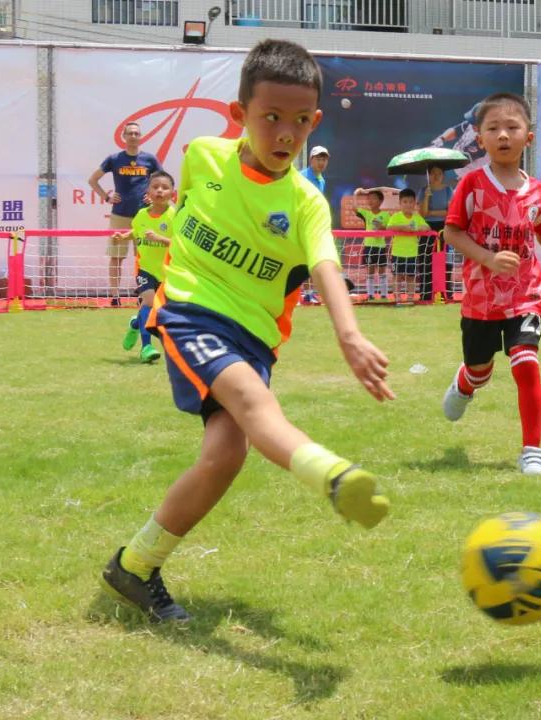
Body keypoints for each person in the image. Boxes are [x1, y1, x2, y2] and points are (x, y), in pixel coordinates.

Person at [100, 39, 394, 623]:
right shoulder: (202, 155)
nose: (286, 133)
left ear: (316, 121)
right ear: (239, 116)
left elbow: (326, 267)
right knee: (253, 403)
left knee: (225, 455)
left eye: (299, 121)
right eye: (271, 118)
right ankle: (331, 475)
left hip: (255, 338)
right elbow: (187, 213)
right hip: (188, 313)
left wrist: (350, 334)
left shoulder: (306, 202)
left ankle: (133, 565)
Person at [440, 92, 541, 476]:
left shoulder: (537, 191)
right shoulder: (473, 184)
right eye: (493, 128)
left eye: (512, 127)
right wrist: (489, 258)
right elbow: (452, 233)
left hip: (526, 295)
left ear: (529, 136)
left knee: (526, 363)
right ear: (479, 137)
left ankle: (532, 450)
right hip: (480, 299)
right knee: (482, 369)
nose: (503, 135)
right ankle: (466, 383)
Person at [88, 121, 164, 306]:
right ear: (123, 137)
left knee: (143, 258)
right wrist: (106, 197)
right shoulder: (114, 159)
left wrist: (152, 197)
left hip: (144, 217)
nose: (133, 136)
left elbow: (163, 181)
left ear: (141, 136)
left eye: (136, 133)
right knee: (116, 256)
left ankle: (142, 296)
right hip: (119, 215)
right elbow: (93, 180)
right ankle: (115, 297)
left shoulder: (150, 159)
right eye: (129, 133)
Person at [115, 170, 175, 363]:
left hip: (167, 272)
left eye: (164, 188)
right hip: (145, 269)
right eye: (155, 187)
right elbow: (137, 230)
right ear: (148, 192)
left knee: (160, 312)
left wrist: (160, 239)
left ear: (172, 193)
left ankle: (135, 323)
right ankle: (146, 347)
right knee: (148, 302)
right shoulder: (141, 215)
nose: (159, 191)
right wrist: (124, 236)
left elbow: (181, 244)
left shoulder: (176, 216)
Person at [386, 188, 430, 305]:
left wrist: (420, 228)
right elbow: (389, 227)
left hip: (412, 253)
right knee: (397, 277)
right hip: (397, 253)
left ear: (415, 203)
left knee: (411, 277)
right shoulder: (396, 216)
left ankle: (410, 299)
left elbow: (427, 228)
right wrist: (403, 227)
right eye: (405, 202)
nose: (408, 205)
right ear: (400, 204)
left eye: (411, 202)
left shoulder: (417, 217)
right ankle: (398, 299)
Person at [418, 164, 454, 301]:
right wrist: (426, 197)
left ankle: (446, 293)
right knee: (425, 261)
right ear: (429, 175)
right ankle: (426, 294)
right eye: (433, 173)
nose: (436, 176)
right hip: (427, 228)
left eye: (439, 173)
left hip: (444, 228)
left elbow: (449, 212)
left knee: (445, 261)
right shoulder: (423, 190)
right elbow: (423, 214)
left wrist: (431, 212)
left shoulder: (448, 190)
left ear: (443, 175)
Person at [353, 187, 391, 300]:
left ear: (380, 201)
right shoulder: (366, 213)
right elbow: (355, 208)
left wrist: (382, 227)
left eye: (373, 198)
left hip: (380, 247)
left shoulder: (386, 215)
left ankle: (384, 295)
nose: (370, 201)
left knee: (382, 271)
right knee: (370, 271)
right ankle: (370, 294)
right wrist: (356, 194)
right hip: (369, 247)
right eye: (369, 199)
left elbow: (390, 230)